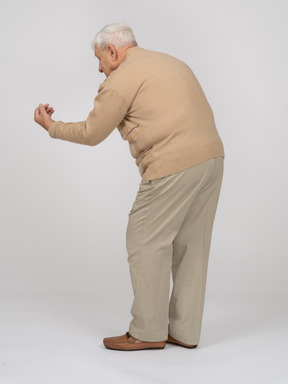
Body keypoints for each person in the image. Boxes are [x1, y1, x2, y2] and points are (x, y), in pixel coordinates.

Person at [34, 22, 224, 351]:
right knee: (192, 247)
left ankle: (148, 332)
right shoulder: (172, 62)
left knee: (144, 241)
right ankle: (184, 331)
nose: (99, 68)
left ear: (113, 51)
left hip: (173, 163)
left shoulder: (122, 79)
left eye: (100, 59)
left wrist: (52, 126)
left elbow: (92, 133)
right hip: (212, 160)